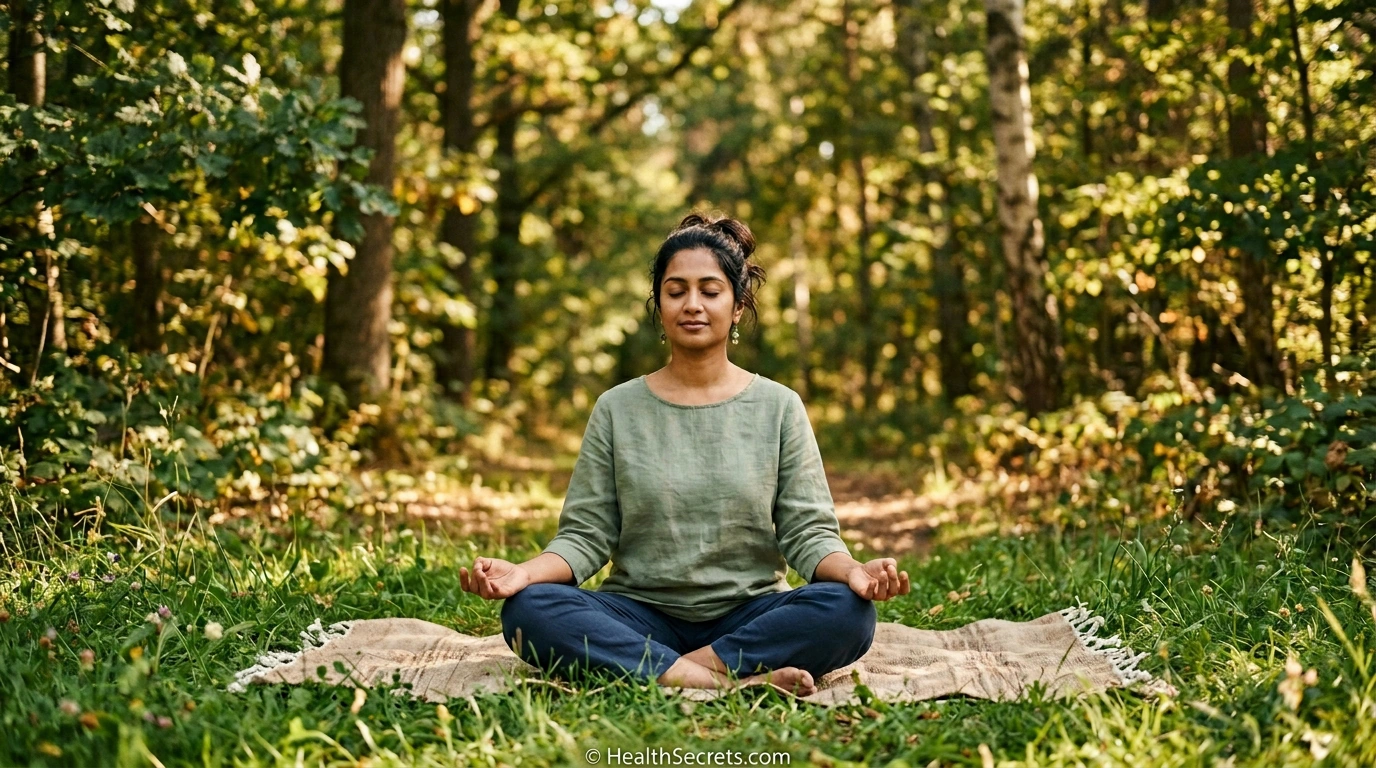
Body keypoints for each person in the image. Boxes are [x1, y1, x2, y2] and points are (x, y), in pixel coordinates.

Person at [460, 212, 910, 696]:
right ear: (659, 304)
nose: (692, 305)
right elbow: (586, 535)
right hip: (637, 616)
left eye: (710, 291)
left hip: (750, 616)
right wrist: (523, 573)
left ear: (737, 305)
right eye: (676, 291)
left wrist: (854, 572)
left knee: (848, 612)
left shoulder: (779, 407)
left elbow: (808, 532)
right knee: (530, 610)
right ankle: (722, 679)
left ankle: (665, 671)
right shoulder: (616, 408)